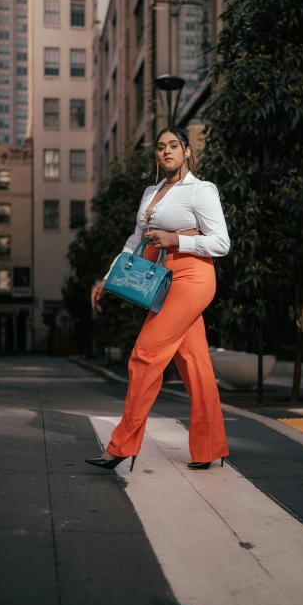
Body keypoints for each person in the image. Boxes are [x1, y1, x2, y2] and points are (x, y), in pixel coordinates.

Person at [85, 126, 230, 472]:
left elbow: (221, 243)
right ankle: (210, 447)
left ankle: (121, 446)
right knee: (195, 364)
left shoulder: (201, 190)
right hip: (160, 277)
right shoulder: (151, 191)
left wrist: (176, 240)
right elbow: (135, 241)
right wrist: (108, 277)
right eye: (160, 146)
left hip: (192, 277)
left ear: (187, 151)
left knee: (145, 355)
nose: (166, 151)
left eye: (174, 145)